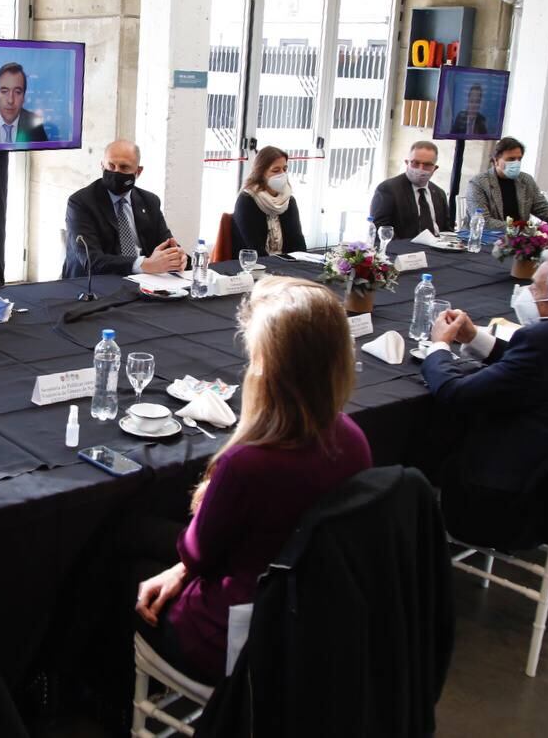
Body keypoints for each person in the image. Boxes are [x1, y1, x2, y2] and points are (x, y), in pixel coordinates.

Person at [133, 277, 372, 684]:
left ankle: (101, 699)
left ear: (266, 368)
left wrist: (182, 565)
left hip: (238, 640)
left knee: (123, 550)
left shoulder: (249, 462)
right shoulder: (352, 439)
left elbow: (198, 552)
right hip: (313, 621)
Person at [420, 248, 548, 548]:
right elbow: (535, 367)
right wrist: (474, 338)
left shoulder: (544, 343)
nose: (528, 293)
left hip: (504, 500)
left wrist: (438, 346)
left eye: (536, 289)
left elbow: (456, 394)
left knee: (421, 443)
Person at [61, 139, 186, 278]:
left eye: (124, 167)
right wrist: (144, 264)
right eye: (111, 166)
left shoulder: (150, 201)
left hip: (143, 283)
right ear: (102, 166)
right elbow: (92, 260)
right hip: (93, 286)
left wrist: (178, 257)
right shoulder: (81, 203)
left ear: (138, 172)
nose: (116, 172)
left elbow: (166, 243)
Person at [467, 136, 548, 229]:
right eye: (511, 159)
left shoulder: (526, 180)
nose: (516, 163)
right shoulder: (479, 183)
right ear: (496, 161)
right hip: (484, 238)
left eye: (519, 159)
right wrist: (521, 227)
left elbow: (544, 209)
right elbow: (484, 222)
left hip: (520, 238)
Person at [370, 140, 454, 239]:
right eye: (415, 163)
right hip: (404, 249)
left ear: (434, 168)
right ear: (407, 163)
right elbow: (380, 229)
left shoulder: (439, 193)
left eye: (427, 165)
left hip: (438, 249)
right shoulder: (388, 189)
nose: (420, 168)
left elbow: (447, 229)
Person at [231, 146, 306, 256]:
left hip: (286, 265)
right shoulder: (247, 201)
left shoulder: (289, 200)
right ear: (261, 173)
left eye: (284, 169)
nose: (282, 174)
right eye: (276, 170)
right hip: (253, 265)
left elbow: (299, 245)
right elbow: (254, 249)